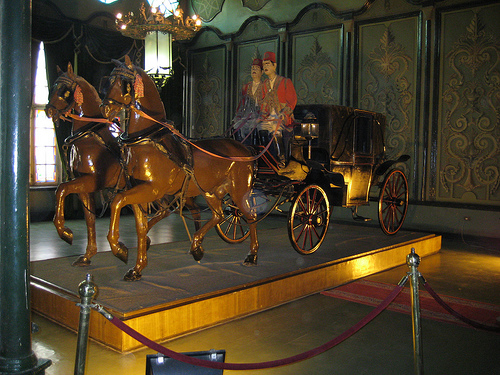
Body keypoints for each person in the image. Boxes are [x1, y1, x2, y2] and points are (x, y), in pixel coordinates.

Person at [258, 51, 298, 175]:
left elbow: (292, 101)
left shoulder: (285, 82)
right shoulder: (263, 84)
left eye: (268, 64)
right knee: (258, 129)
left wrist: (283, 113)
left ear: (274, 66)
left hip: (283, 119)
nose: (265, 67)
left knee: (275, 130)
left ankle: (281, 160)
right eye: (264, 64)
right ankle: (263, 160)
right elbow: (261, 103)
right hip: (268, 118)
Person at [231, 58, 264, 142]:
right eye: (252, 68)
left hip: (259, 117)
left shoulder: (265, 86)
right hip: (246, 116)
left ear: (262, 72)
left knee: (254, 126)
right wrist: (238, 116)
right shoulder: (246, 87)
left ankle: (252, 149)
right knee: (237, 126)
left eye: (256, 68)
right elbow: (242, 104)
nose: (254, 70)